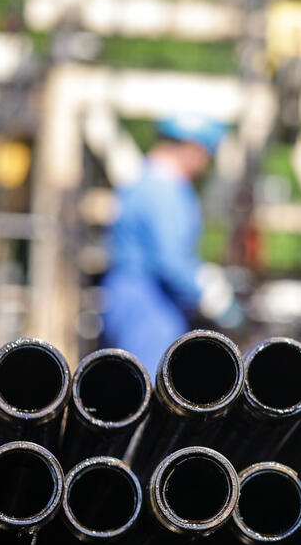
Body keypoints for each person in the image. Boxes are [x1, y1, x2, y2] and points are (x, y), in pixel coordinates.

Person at [102, 114, 240, 369]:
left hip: (132, 297)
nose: (204, 164)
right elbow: (170, 260)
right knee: (151, 380)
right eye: (205, 154)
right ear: (191, 148)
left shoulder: (144, 181)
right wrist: (208, 291)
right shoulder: (164, 190)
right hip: (149, 303)